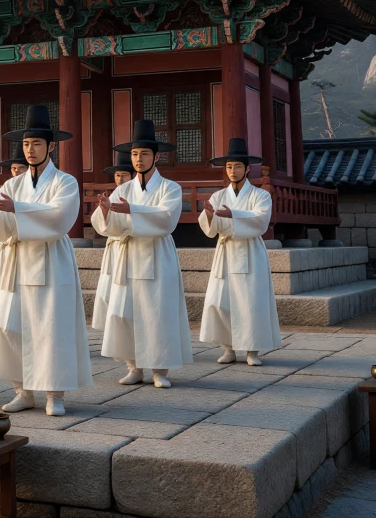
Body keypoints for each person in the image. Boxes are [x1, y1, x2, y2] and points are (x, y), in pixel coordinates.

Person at [0, 105, 92, 416]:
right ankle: (23, 391)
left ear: (51, 146)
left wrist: (16, 209)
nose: (30, 150)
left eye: (37, 144)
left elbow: (59, 217)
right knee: (12, 326)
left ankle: (55, 393)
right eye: (26, 144)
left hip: (50, 259)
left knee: (51, 327)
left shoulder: (65, 182)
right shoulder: (13, 184)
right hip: (16, 262)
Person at [95, 120, 192, 388]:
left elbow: (166, 218)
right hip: (128, 255)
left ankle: (160, 369)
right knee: (126, 312)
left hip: (157, 255)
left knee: (157, 312)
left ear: (157, 156)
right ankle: (134, 366)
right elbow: (108, 226)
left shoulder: (170, 188)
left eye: (145, 154)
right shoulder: (123, 189)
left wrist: (132, 211)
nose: (138, 159)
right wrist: (105, 211)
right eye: (135, 154)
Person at [199, 138, 282, 366]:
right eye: (229, 166)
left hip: (250, 251)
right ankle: (228, 348)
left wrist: (233, 214)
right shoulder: (218, 196)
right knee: (221, 301)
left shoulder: (260, 195)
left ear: (247, 169)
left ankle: (252, 350)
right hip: (225, 251)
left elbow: (260, 221)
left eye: (237, 166)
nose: (232, 171)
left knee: (250, 301)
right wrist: (209, 215)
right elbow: (210, 228)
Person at [0, 143, 29, 339]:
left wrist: (16, 208)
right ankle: (3, 334)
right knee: (4, 295)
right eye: (13, 168)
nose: (16, 172)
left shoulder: (38, 187)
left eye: (21, 168)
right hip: (9, 248)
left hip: (28, 248)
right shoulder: (8, 186)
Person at [90, 155, 135, 332]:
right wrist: (104, 211)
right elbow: (99, 221)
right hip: (114, 246)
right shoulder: (114, 195)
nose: (120, 179)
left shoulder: (136, 193)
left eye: (124, 175)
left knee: (126, 291)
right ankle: (111, 326)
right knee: (108, 290)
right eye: (117, 175)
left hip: (130, 246)